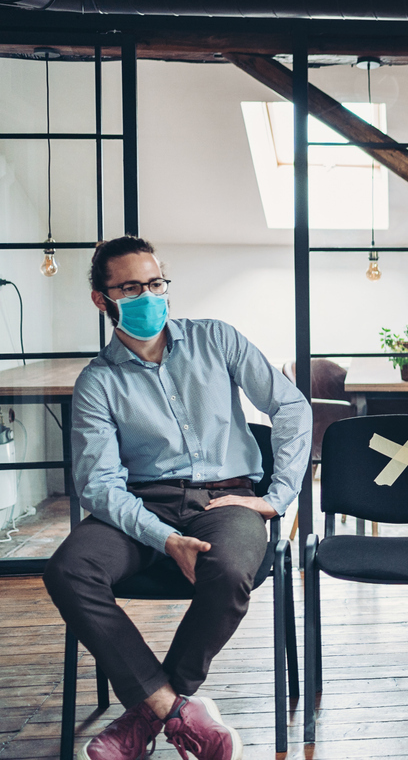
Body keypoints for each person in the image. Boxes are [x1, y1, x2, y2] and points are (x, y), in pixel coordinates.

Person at [43, 236, 312, 760]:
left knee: (230, 570)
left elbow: (292, 408)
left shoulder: (218, 340)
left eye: (156, 283)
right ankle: (177, 711)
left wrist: (277, 497)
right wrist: (166, 539)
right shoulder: (97, 382)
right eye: (131, 287)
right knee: (68, 570)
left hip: (227, 499)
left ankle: (148, 713)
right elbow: (99, 485)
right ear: (102, 299)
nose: (149, 296)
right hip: (140, 507)